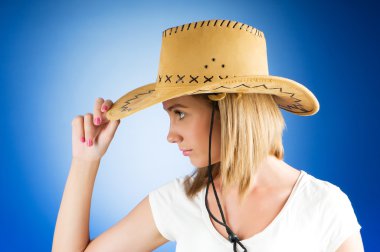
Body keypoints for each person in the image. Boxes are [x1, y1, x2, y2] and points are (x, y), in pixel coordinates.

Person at [52, 19, 364, 251]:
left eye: (180, 113)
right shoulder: (180, 199)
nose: (170, 135)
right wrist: (85, 160)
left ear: (228, 109)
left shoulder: (325, 207)